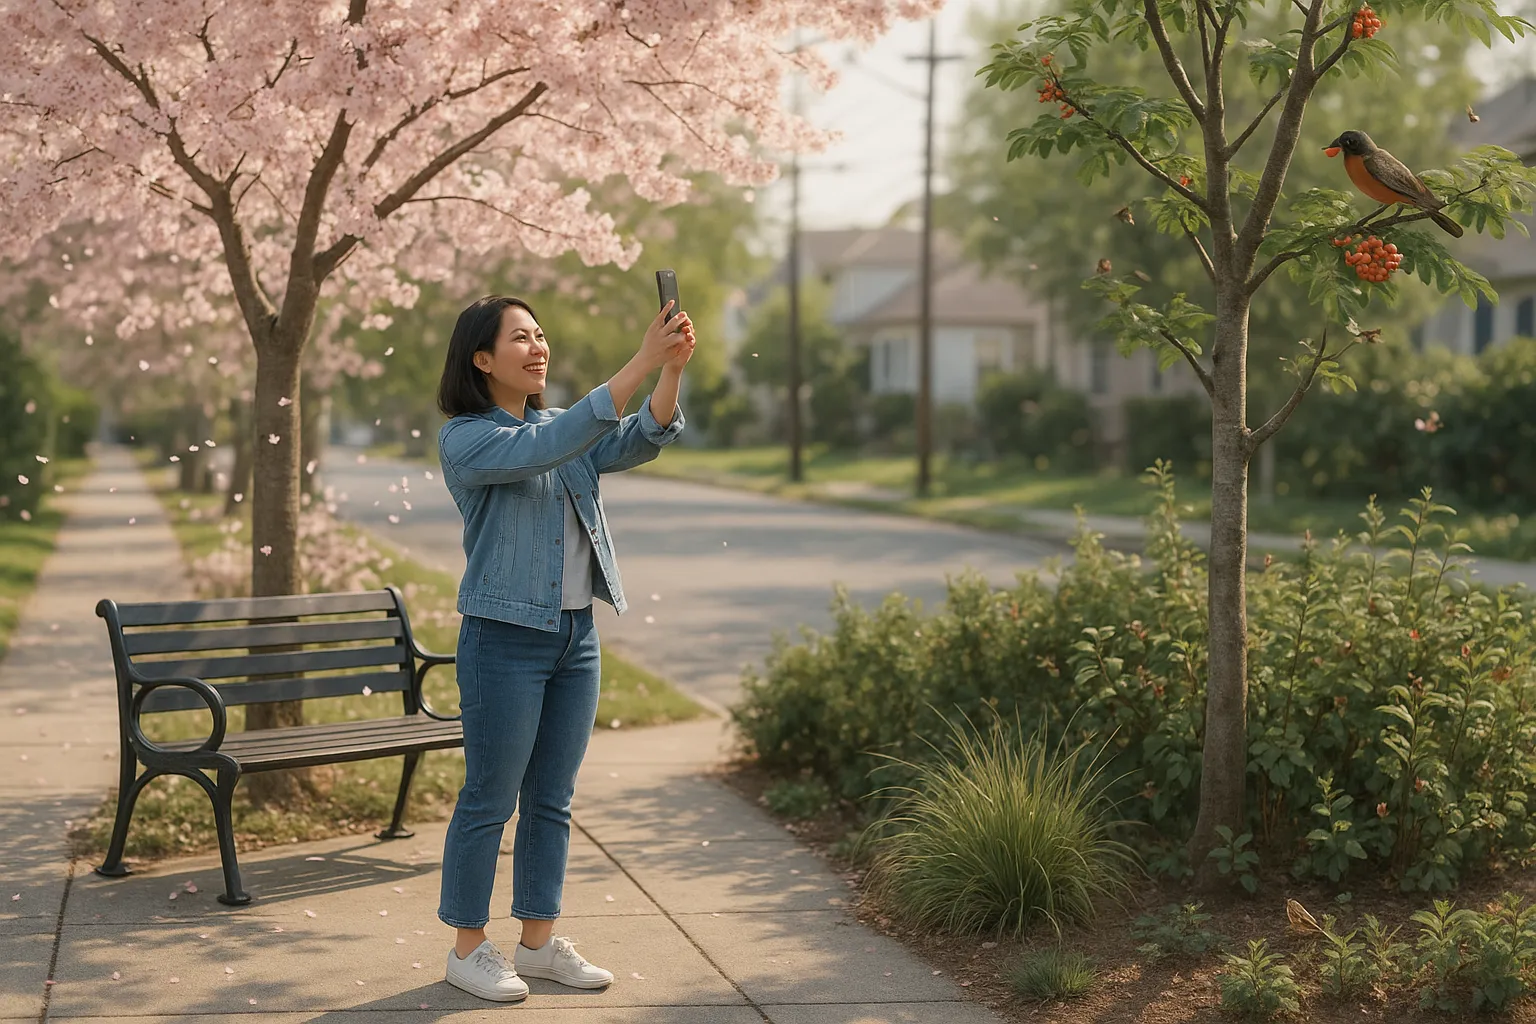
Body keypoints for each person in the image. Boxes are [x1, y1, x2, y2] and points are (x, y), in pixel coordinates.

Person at [432, 293, 694, 1002]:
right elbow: (551, 446)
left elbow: (640, 437)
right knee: (490, 798)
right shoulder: (468, 438)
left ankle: (539, 946)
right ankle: (467, 948)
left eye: (541, 335)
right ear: (482, 358)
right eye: (521, 338)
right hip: (502, 640)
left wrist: (669, 368)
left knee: (552, 799)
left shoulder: (559, 427)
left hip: (575, 637)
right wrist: (641, 356)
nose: (538, 347)